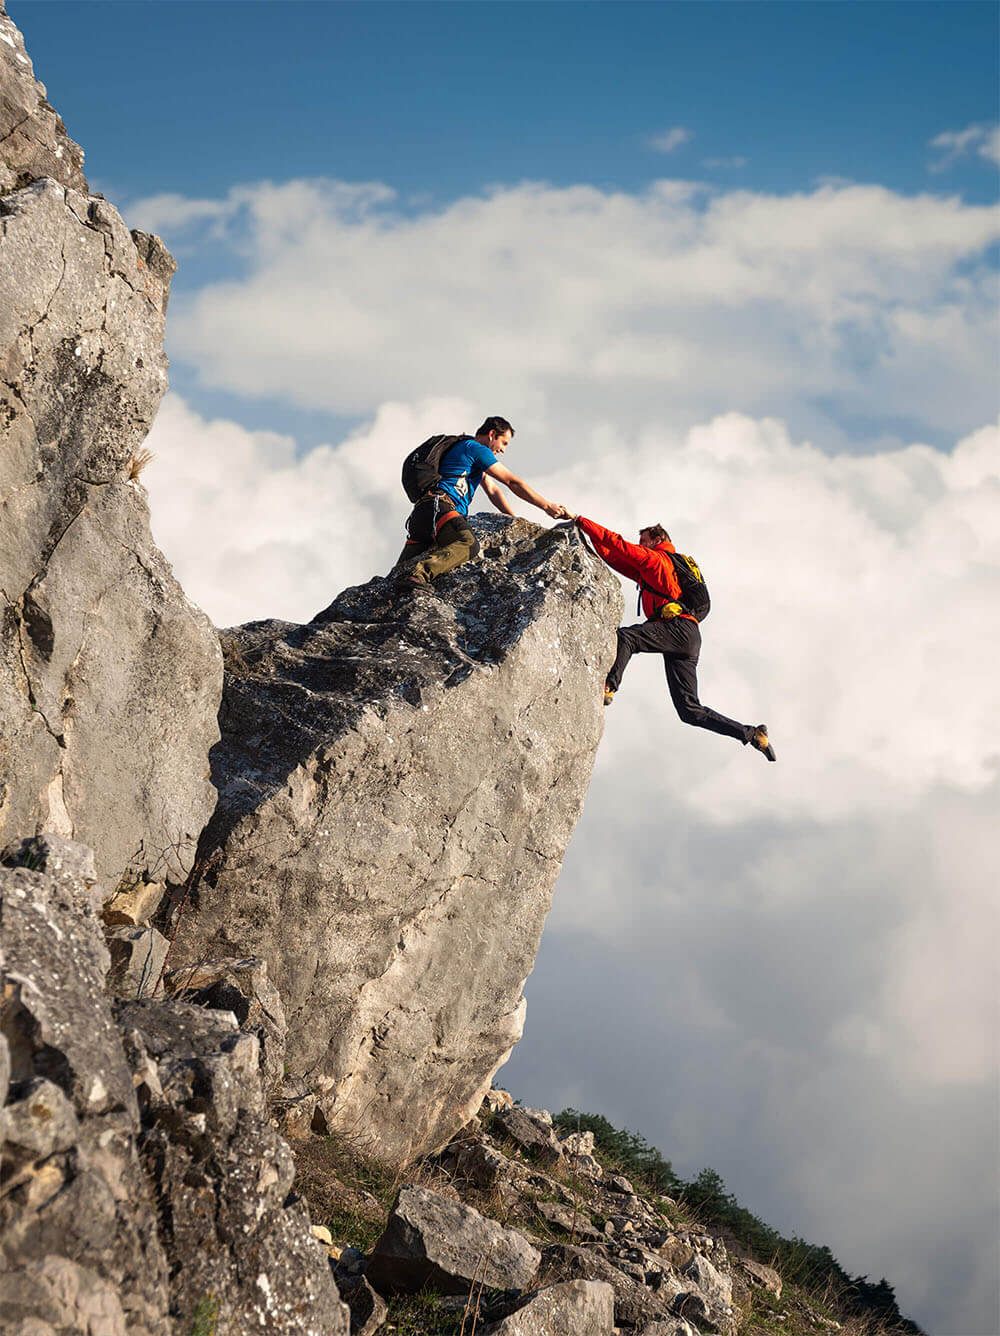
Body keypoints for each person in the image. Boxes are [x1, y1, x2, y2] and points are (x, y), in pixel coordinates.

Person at [572, 514, 776, 760]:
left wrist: (580, 520)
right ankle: (752, 734)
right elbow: (616, 557)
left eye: (643, 541)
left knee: (628, 637)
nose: (639, 546)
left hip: (677, 628)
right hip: (688, 637)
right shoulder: (658, 568)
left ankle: (609, 686)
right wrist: (586, 538)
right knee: (690, 711)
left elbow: (619, 545)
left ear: (657, 540)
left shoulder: (657, 561)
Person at [395, 416, 568, 587]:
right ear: (492, 434)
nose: (503, 450)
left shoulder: (464, 449)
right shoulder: (476, 448)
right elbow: (512, 482)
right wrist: (547, 506)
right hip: (441, 508)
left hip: (422, 512)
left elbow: (493, 491)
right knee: (468, 544)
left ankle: (394, 588)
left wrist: (512, 518)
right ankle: (419, 574)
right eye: (504, 443)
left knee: (399, 571)